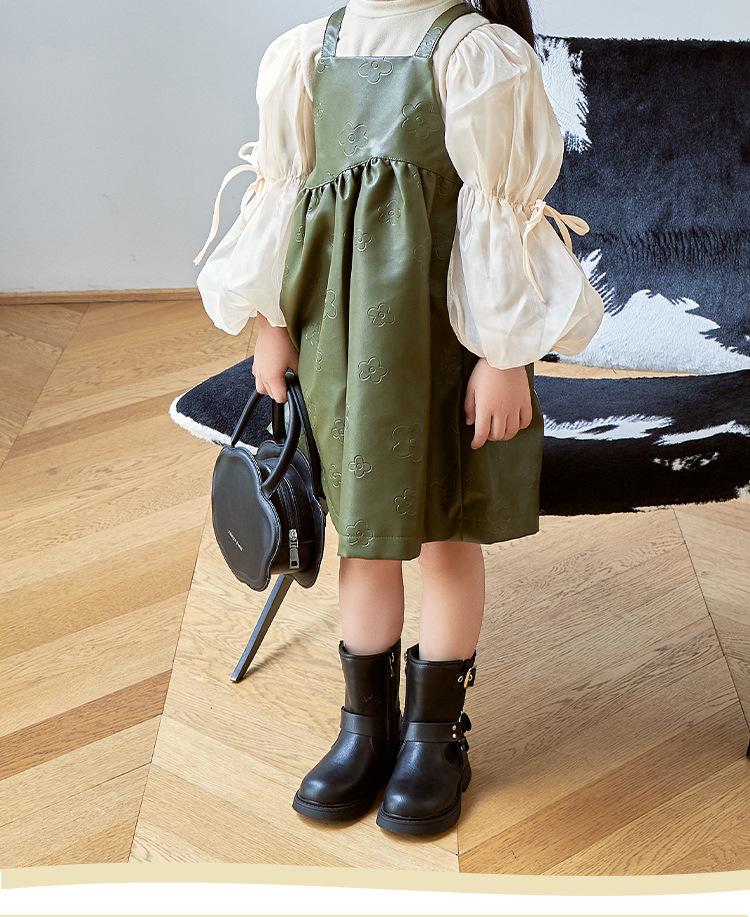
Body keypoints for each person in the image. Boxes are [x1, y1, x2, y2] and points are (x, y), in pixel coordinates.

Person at [193, 0, 605, 836]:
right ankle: (365, 726)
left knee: (448, 531)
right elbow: (283, 200)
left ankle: (433, 733)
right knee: (366, 537)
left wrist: (502, 355)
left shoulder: (473, 56)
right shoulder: (306, 54)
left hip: (446, 345)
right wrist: (272, 324)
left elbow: (504, 220)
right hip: (342, 346)